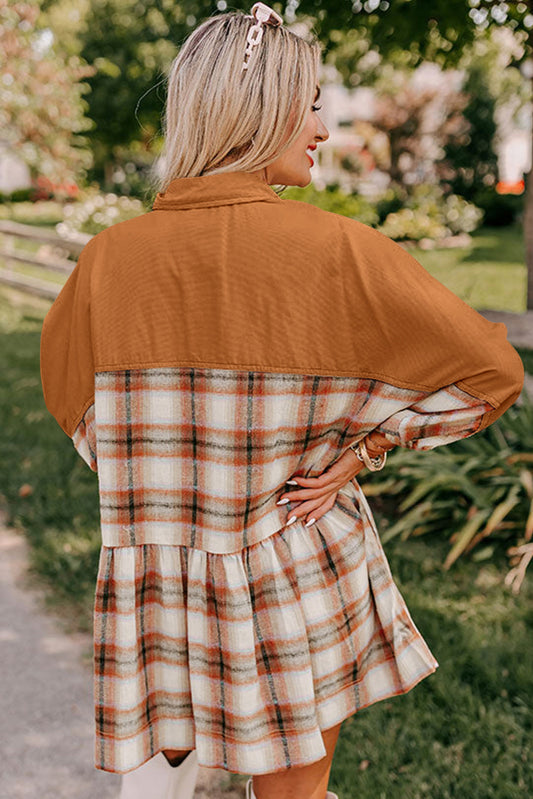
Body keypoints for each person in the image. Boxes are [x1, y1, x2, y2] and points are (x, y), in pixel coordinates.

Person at [39, 4, 525, 799]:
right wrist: (361, 449)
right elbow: (490, 373)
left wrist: (164, 485)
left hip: (161, 587)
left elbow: (70, 397)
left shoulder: (106, 260)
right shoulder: (344, 253)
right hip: (296, 572)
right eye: (310, 104)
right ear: (258, 111)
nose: (324, 129)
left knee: (157, 788)